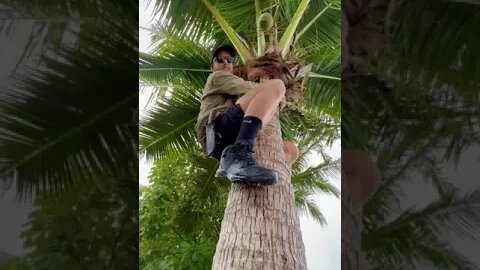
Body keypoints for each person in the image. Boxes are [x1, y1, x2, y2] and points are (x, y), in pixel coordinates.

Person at [195, 45, 299, 186]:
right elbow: (249, 88)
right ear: (212, 67)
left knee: (291, 150)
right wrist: (279, 95)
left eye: (229, 59)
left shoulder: (229, 83)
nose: (226, 62)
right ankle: (239, 153)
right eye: (220, 59)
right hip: (215, 129)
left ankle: (240, 165)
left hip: (224, 139)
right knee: (277, 85)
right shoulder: (216, 77)